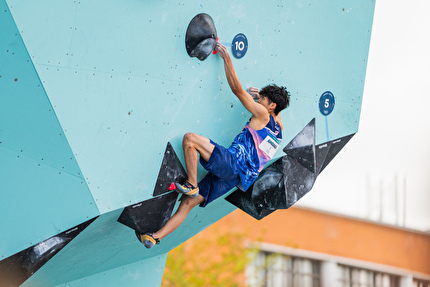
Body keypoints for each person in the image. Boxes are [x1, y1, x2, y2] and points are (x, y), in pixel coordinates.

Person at [136, 42, 290, 248]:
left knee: (190, 140)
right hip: (235, 179)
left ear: (270, 106)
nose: (257, 101)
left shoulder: (262, 114)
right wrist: (261, 97)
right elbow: (277, 112)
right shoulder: (279, 127)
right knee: (187, 205)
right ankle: (154, 237)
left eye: (262, 99)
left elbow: (236, 89)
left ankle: (191, 184)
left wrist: (227, 59)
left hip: (232, 164)